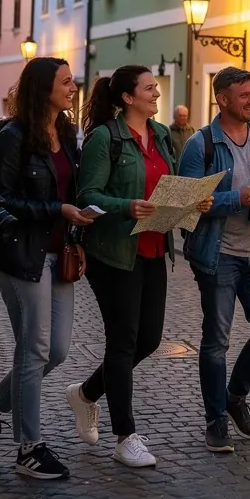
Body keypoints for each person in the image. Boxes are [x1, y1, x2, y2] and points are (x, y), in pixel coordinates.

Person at [66, 65, 211, 468]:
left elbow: (170, 184)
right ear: (128, 98)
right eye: (149, 88)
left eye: (156, 87)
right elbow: (88, 196)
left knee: (148, 339)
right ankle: (125, 436)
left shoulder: (162, 135)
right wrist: (125, 206)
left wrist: (194, 201)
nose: (156, 93)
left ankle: (85, 393)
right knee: (123, 340)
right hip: (113, 254)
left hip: (153, 247)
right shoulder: (103, 138)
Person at [0, 57, 88, 480]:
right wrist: (58, 209)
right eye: (66, 82)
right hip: (21, 256)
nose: (73, 88)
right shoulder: (12, 134)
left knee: (55, 351)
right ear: (43, 88)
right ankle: (29, 448)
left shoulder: (68, 133)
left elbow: (73, 185)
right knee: (33, 350)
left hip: (60, 255)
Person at [178, 66, 250, 453]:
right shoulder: (200, 144)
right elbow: (185, 203)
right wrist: (234, 199)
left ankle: (235, 396)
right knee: (216, 341)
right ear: (222, 100)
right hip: (218, 255)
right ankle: (216, 420)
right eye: (244, 96)